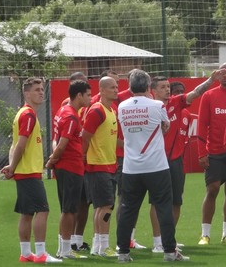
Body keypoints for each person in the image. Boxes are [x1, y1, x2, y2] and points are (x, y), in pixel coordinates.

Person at [116, 69, 189, 263]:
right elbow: (166, 127)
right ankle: (169, 251)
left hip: (131, 167)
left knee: (128, 209)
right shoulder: (157, 105)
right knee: (164, 207)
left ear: (130, 87)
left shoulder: (122, 106)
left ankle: (123, 252)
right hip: (156, 165)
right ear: (148, 87)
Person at [149, 70, 223, 251]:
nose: (167, 90)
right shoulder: (149, 108)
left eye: (168, 86)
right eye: (163, 87)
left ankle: (169, 239)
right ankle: (157, 241)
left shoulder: (175, 103)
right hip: (157, 161)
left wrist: (210, 80)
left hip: (175, 162)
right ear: (153, 91)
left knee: (176, 201)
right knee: (157, 202)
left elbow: (195, 93)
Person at [1, 78, 62, 264]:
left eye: (42, 89)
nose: (41, 92)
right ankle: (41, 253)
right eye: (37, 90)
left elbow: (14, 146)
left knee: (27, 213)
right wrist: (12, 166)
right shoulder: (28, 115)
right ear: (26, 93)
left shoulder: (23, 113)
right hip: (29, 172)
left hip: (25, 171)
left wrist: (12, 166)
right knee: (42, 211)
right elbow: (19, 145)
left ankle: (26, 253)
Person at [46, 80, 92, 259]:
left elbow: (55, 140)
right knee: (69, 210)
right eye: (88, 95)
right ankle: (65, 250)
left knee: (69, 208)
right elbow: (62, 143)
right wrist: (52, 161)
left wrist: (54, 159)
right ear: (79, 95)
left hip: (68, 167)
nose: (89, 98)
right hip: (71, 167)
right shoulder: (71, 116)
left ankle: (63, 248)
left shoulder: (63, 111)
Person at [197, 63, 226, 245]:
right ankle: (205, 234)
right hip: (214, 152)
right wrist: (201, 152)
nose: (225, 75)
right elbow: (201, 124)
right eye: (221, 72)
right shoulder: (209, 96)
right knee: (212, 189)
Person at [81, 76, 120, 257]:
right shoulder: (97, 110)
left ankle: (98, 246)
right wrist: (83, 157)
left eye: (117, 86)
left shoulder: (111, 110)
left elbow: (114, 139)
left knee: (101, 207)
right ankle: (104, 246)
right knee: (106, 206)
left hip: (108, 164)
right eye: (112, 87)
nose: (116, 89)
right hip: (98, 165)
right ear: (102, 90)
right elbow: (85, 136)